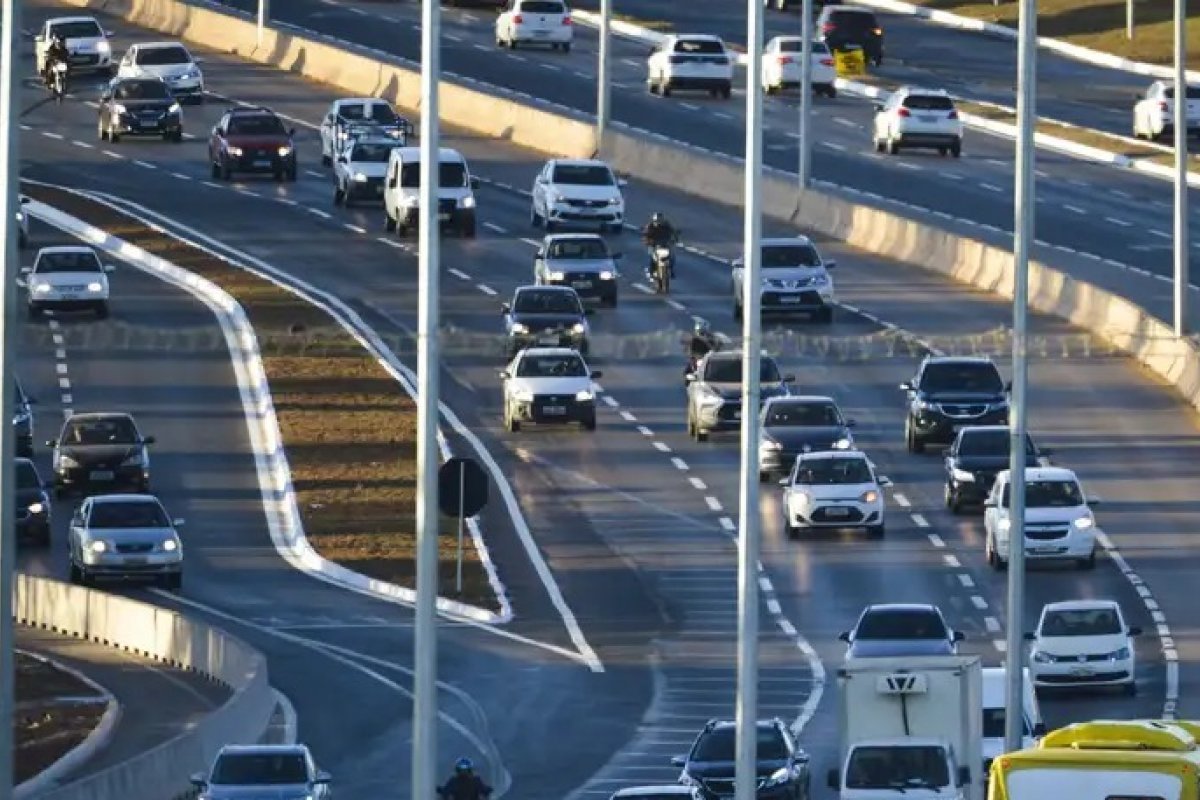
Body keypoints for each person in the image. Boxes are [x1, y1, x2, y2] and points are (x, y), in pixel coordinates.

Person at [641, 211, 678, 278]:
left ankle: (671, 271)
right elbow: (645, 235)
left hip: (665, 243)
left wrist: (675, 239)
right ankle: (651, 271)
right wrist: (647, 241)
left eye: (660, 221)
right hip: (654, 244)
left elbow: (673, 232)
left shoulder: (667, 224)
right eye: (657, 221)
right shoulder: (650, 226)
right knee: (652, 256)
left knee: (672, 256)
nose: (658, 222)